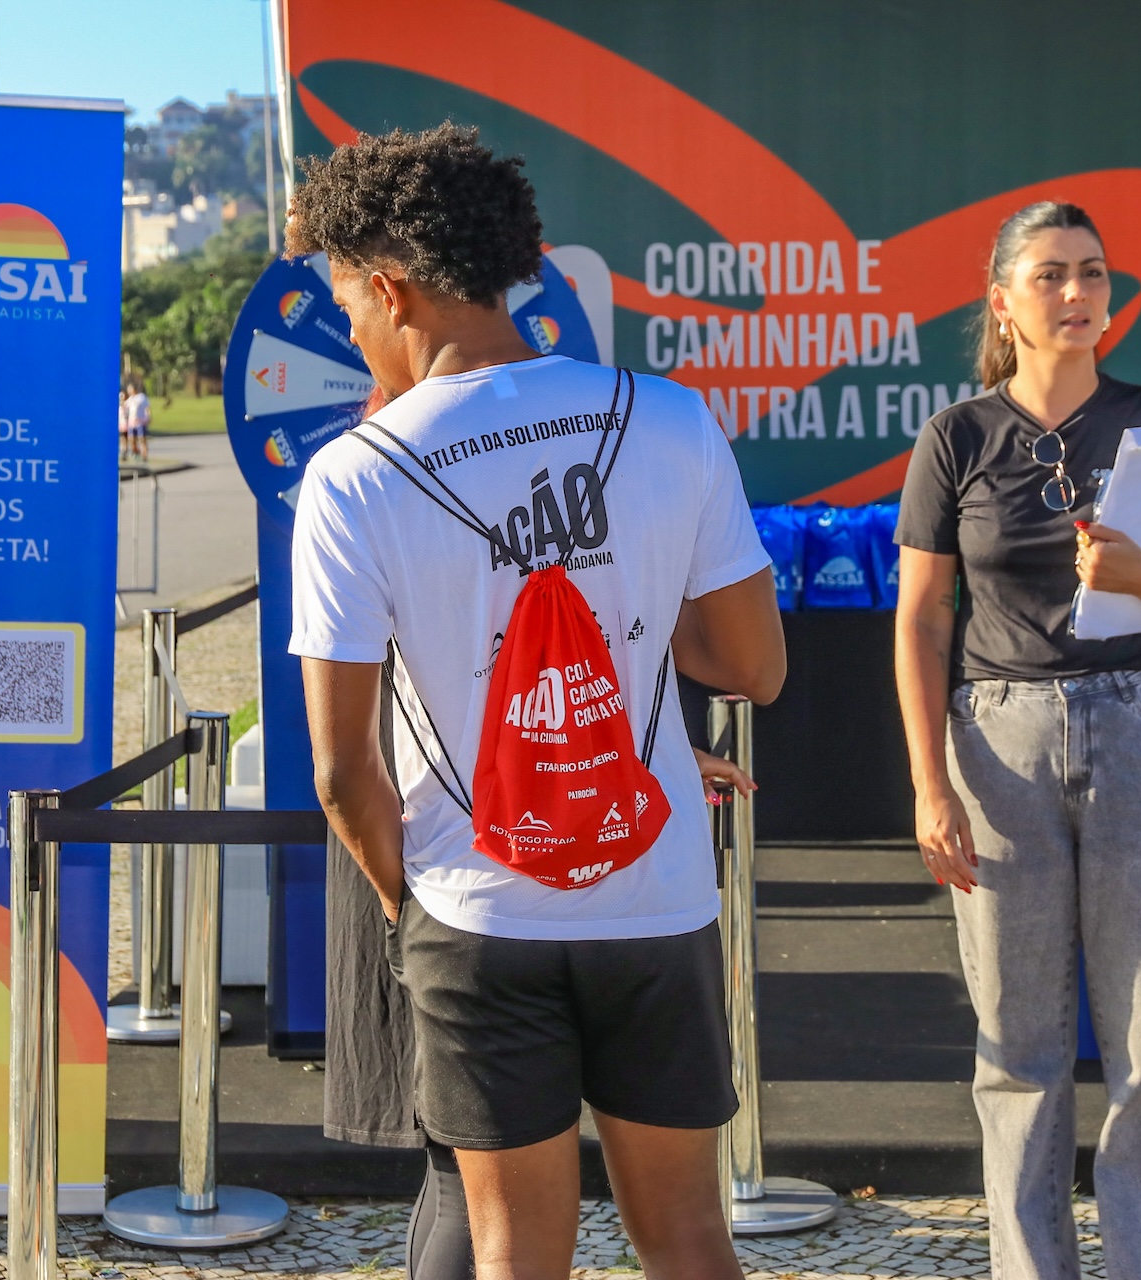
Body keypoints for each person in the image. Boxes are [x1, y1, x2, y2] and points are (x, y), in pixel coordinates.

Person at [287, 123, 783, 1280]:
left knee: (512, 1250)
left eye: (346, 302)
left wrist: (414, 902)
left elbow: (342, 768)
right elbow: (752, 666)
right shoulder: (669, 417)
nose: (350, 331)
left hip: (477, 911)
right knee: (690, 1236)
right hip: (655, 890)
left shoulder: (355, 475)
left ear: (391, 287)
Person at [893, 201, 1141, 1280]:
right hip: (997, 746)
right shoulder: (957, 436)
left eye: (1092, 272)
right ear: (1002, 300)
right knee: (1018, 1054)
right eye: (1049, 274)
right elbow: (921, 619)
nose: (1077, 292)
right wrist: (929, 785)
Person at [123, 381, 150, 461]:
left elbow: (147, 407)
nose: (128, 391)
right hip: (132, 422)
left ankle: (144, 454)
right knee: (131, 439)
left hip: (140, 421)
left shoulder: (141, 397)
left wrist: (149, 417)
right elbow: (124, 406)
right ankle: (136, 451)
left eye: (130, 389)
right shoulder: (130, 399)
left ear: (134, 389)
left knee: (142, 438)